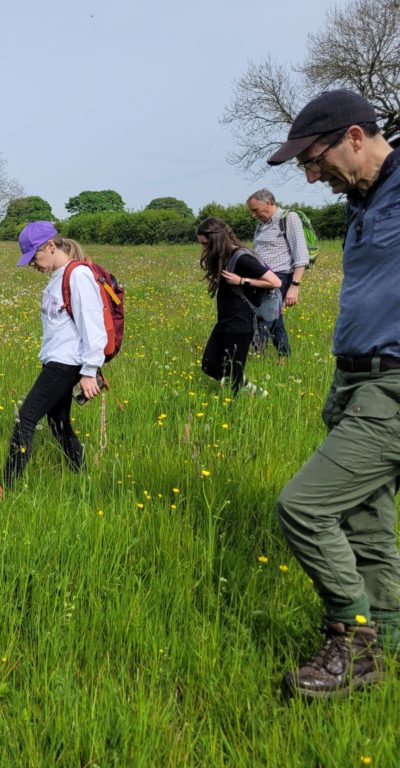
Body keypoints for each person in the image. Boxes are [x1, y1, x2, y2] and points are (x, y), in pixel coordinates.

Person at [268, 89, 400, 699]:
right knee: (364, 521)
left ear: (354, 135)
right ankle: (389, 645)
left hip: (394, 386)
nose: (310, 173)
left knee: (304, 506)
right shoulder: (362, 199)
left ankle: (352, 641)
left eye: (314, 158)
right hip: (354, 378)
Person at [0, 222, 107, 489]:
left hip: (66, 363)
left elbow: (92, 324)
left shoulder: (78, 275)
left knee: (26, 418)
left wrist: (90, 370)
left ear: (50, 246)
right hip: (57, 359)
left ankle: (4, 488)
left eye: (34, 256)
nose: (33, 264)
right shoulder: (57, 277)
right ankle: (83, 475)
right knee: (58, 422)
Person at [196, 217, 281, 395]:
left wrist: (242, 280)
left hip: (241, 321)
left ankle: (239, 404)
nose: (203, 248)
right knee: (209, 364)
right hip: (225, 319)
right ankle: (252, 390)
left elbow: (275, 281)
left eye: (205, 244)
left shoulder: (241, 258)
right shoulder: (224, 256)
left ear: (216, 241)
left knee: (233, 373)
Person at [246, 189, 310, 356]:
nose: (253, 215)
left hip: (280, 277)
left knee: (264, 319)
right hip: (262, 279)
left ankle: (259, 355)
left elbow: (301, 254)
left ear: (268, 203)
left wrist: (295, 286)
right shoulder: (262, 225)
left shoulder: (289, 218)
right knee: (273, 319)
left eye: (255, 210)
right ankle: (284, 356)